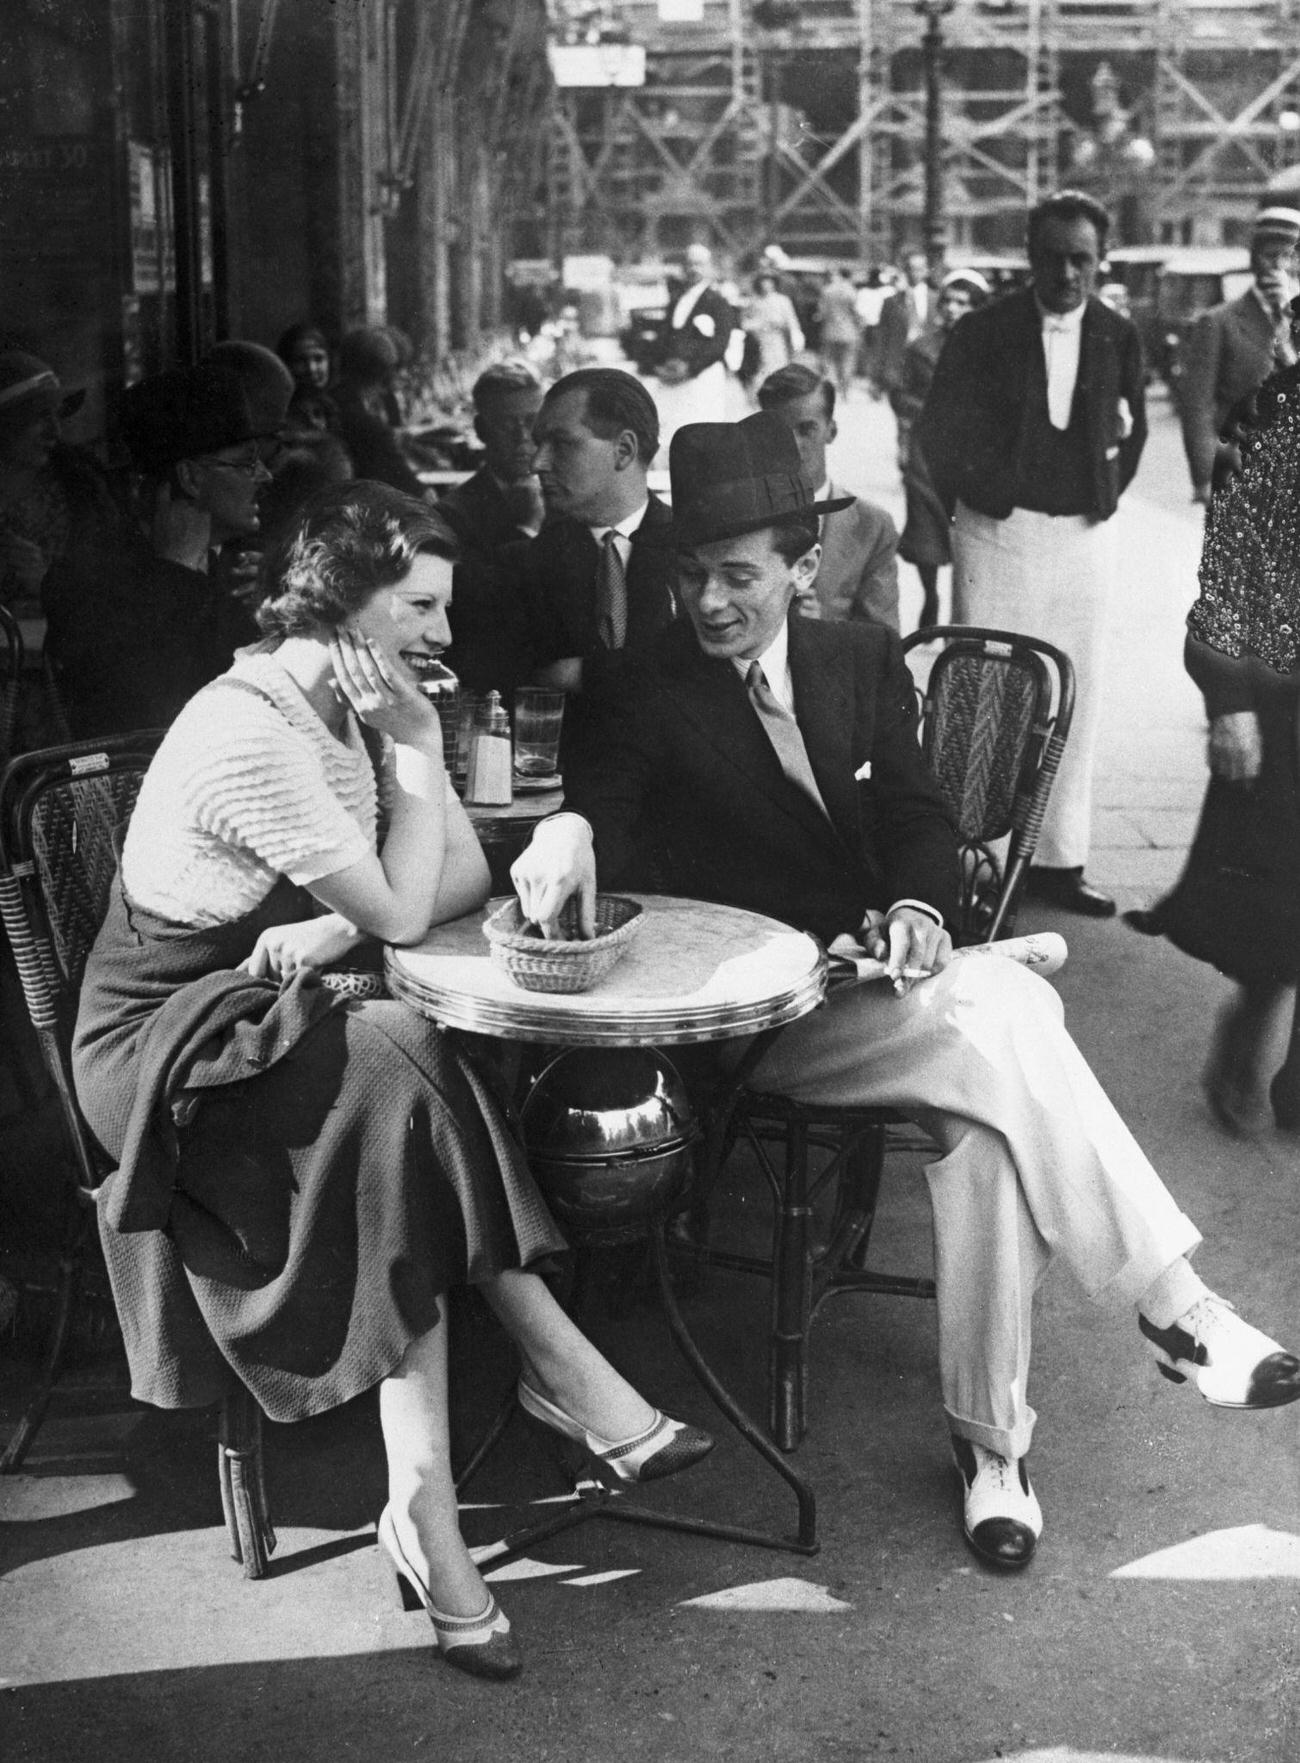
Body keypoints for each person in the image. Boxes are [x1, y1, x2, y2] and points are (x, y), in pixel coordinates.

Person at [509, 411, 1300, 1574]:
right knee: (1007, 1013)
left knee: (985, 1130)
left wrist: (923, 913)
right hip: (757, 1024)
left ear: (800, 564)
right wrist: (571, 823)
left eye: (737, 574)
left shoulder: (859, 661)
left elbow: (918, 814)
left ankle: (994, 1451)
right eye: (691, 576)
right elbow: (610, 817)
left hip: (886, 996)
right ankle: (1173, 1303)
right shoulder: (640, 688)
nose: (711, 602)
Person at [71, 482, 713, 1682]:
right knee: (402, 1059)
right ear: (338, 601)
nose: (444, 634)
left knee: (401, 1076)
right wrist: (408, 779)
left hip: (273, 1007)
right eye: (419, 604)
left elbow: (459, 881)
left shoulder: (354, 704)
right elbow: (412, 904)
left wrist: (345, 907)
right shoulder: (249, 727)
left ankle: (429, 1514)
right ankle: (556, 1383)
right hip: (165, 1047)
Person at [915, 189, 1147, 918]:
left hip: (1083, 535)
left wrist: (1104, 495)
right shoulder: (984, 330)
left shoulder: (1117, 333)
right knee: (986, 691)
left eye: (1082, 259)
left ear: (1101, 260)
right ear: (1029, 258)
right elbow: (938, 429)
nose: (1068, 274)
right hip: (997, 532)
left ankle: (1056, 861)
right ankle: (973, 866)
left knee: (1078, 686)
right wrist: (982, 493)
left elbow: (1133, 428)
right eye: (1053, 257)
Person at [1151, 355, 1300, 1135]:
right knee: (1282, 901)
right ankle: (1243, 1040)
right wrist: (1229, 699)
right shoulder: (1275, 417)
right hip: (1284, 699)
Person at [43, 363, 271, 738]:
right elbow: (155, 721)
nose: (265, 475)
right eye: (246, 462)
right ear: (191, 478)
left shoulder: (236, 567)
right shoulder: (91, 582)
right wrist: (179, 572)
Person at [756, 362, 899, 630]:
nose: (792, 444)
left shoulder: (872, 526)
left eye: (806, 429)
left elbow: (885, 643)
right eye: (776, 432)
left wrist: (823, 631)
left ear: (831, 431)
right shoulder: (736, 514)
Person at [1177, 207, 1300, 507]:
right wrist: (1206, 477)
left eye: (1290, 257)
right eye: (1270, 256)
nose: (1279, 267)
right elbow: (1197, 406)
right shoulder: (1219, 322)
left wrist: (1286, 322)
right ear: (1252, 258)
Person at [895, 269, 989, 630]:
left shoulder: (989, 350)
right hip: (926, 450)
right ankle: (931, 594)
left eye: (962, 303)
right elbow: (900, 394)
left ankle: (960, 613)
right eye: (947, 301)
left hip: (970, 451)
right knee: (925, 527)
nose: (952, 309)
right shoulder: (920, 349)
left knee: (965, 529)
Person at [0, 349, 123, 620]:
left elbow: (117, 594)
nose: (55, 431)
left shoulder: (83, 490)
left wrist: (48, 584)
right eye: (38, 417)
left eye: (57, 415)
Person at [437, 360, 545, 563]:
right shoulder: (451, 516)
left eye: (532, 422)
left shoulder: (570, 496)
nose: (522, 436)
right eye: (506, 423)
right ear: (480, 430)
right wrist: (527, 529)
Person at [647, 243, 736, 451]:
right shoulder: (677, 300)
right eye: (689, 264)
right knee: (673, 432)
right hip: (673, 374)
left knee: (701, 432)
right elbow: (665, 336)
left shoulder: (717, 302)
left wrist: (690, 368)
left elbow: (720, 343)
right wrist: (660, 364)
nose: (693, 269)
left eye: (699, 264)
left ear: (709, 268)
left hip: (702, 377)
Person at [333, 327, 428, 498]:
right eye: (396, 369)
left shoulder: (332, 401)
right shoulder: (368, 424)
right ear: (384, 372)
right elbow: (410, 484)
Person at [878, 250, 934, 469]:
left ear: (927, 270)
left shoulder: (937, 299)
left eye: (920, 268)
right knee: (903, 419)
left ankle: (921, 461)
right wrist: (880, 371)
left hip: (928, 369)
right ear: (904, 270)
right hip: (900, 370)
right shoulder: (891, 302)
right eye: (911, 268)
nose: (915, 273)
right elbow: (883, 338)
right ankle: (905, 458)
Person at [276, 321, 342, 439]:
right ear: (286, 364)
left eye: (318, 359)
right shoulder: (280, 414)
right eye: (300, 360)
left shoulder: (331, 407)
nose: (312, 369)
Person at [742, 272, 804, 388]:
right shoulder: (755, 302)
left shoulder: (783, 301)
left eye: (769, 284)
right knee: (762, 365)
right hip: (760, 339)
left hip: (779, 338)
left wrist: (796, 335)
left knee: (779, 364)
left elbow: (791, 320)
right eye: (763, 284)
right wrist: (760, 325)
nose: (766, 286)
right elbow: (746, 322)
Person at [816, 267, 862, 402]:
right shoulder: (851, 291)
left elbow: (821, 312)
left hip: (829, 331)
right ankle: (845, 392)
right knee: (848, 362)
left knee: (829, 362)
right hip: (849, 332)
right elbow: (856, 312)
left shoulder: (826, 290)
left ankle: (831, 391)